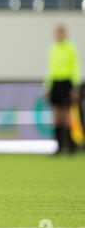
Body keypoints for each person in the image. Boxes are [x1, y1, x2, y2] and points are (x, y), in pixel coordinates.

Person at [44, 25, 81, 155]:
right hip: (55, 83)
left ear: (64, 34)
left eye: (60, 33)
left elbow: (75, 67)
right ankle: (59, 146)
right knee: (56, 116)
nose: (58, 36)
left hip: (67, 83)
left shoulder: (70, 48)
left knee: (67, 115)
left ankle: (70, 146)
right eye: (56, 34)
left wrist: (75, 86)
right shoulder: (53, 49)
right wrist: (48, 86)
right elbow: (51, 69)